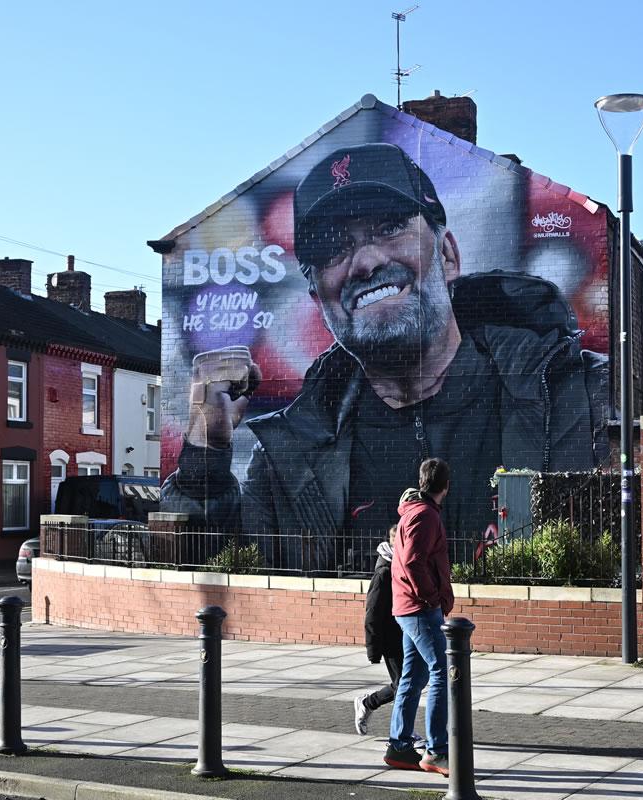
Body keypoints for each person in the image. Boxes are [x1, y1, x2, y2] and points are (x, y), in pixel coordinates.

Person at [163, 142, 609, 568]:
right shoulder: (288, 453)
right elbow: (214, 578)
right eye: (335, 249)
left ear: (448, 256)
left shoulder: (576, 395)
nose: (366, 261)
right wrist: (206, 447)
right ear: (320, 300)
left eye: (391, 228)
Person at [384, 457, 454, 776]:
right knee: (442, 670)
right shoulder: (425, 515)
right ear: (446, 486)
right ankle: (437, 751)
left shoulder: (415, 512)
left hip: (408, 607)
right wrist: (431, 598)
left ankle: (399, 747)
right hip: (419, 608)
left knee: (414, 675)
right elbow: (413, 562)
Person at [354, 523, 402, 736]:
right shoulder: (383, 573)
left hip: (406, 635)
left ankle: (368, 703)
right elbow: (372, 614)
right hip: (391, 640)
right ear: (394, 542)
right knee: (404, 685)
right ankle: (401, 733)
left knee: (409, 683)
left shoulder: (402, 566)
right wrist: (373, 650)